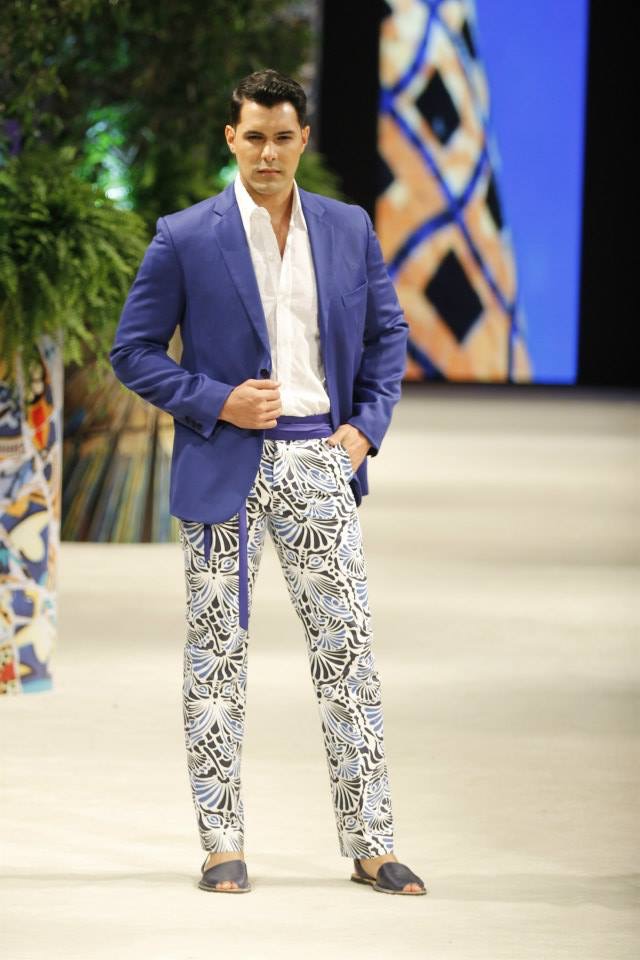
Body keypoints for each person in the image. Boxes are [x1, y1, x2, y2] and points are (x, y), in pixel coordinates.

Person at [109, 68, 426, 897]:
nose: (268, 153)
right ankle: (221, 845)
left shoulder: (347, 228)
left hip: (321, 458)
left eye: (283, 137)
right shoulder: (185, 236)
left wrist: (366, 428)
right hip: (225, 463)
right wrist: (217, 399)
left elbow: (388, 333)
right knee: (216, 657)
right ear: (231, 138)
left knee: (347, 653)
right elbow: (132, 351)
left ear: (303, 139)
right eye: (254, 137)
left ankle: (372, 844)